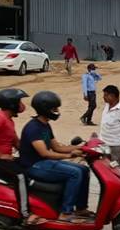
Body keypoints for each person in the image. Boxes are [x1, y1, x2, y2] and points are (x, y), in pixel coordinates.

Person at [19, 90, 92, 221]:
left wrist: (82, 147)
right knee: (74, 173)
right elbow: (45, 153)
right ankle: (66, 212)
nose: (57, 111)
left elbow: (57, 147)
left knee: (84, 169)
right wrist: (71, 155)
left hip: (44, 163)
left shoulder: (45, 125)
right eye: (54, 108)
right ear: (45, 109)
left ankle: (81, 208)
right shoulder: (33, 128)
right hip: (34, 166)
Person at [0, 87, 40, 223]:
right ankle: (26, 214)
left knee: (31, 169)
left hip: (2, 159)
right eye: (19, 101)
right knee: (20, 176)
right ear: (11, 104)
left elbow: (17, 143)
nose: (22, 105)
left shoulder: (9, 120)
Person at [98, 84, 120, 168]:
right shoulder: (107, 106)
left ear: (113, 96)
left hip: (116, 144)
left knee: (116, 168)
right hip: (104, 143)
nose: (104, 97)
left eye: (106, 95)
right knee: (105, 168)